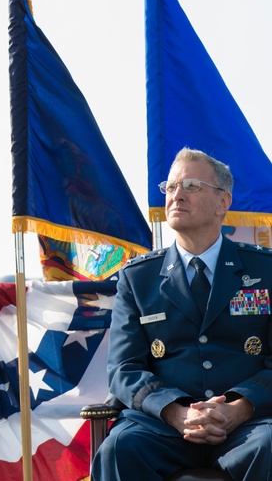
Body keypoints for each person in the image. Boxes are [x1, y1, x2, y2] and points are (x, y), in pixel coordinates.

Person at [92, 147, 272, 481]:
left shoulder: (266, 269)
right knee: (120, 447)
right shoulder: (138, 278)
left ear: (223, 202)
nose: (177, 196)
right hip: (163, 427)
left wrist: (239, 408)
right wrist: (175, 412)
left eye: (191, 186)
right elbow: (123, 368)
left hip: (251, 424)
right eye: (171, 187)